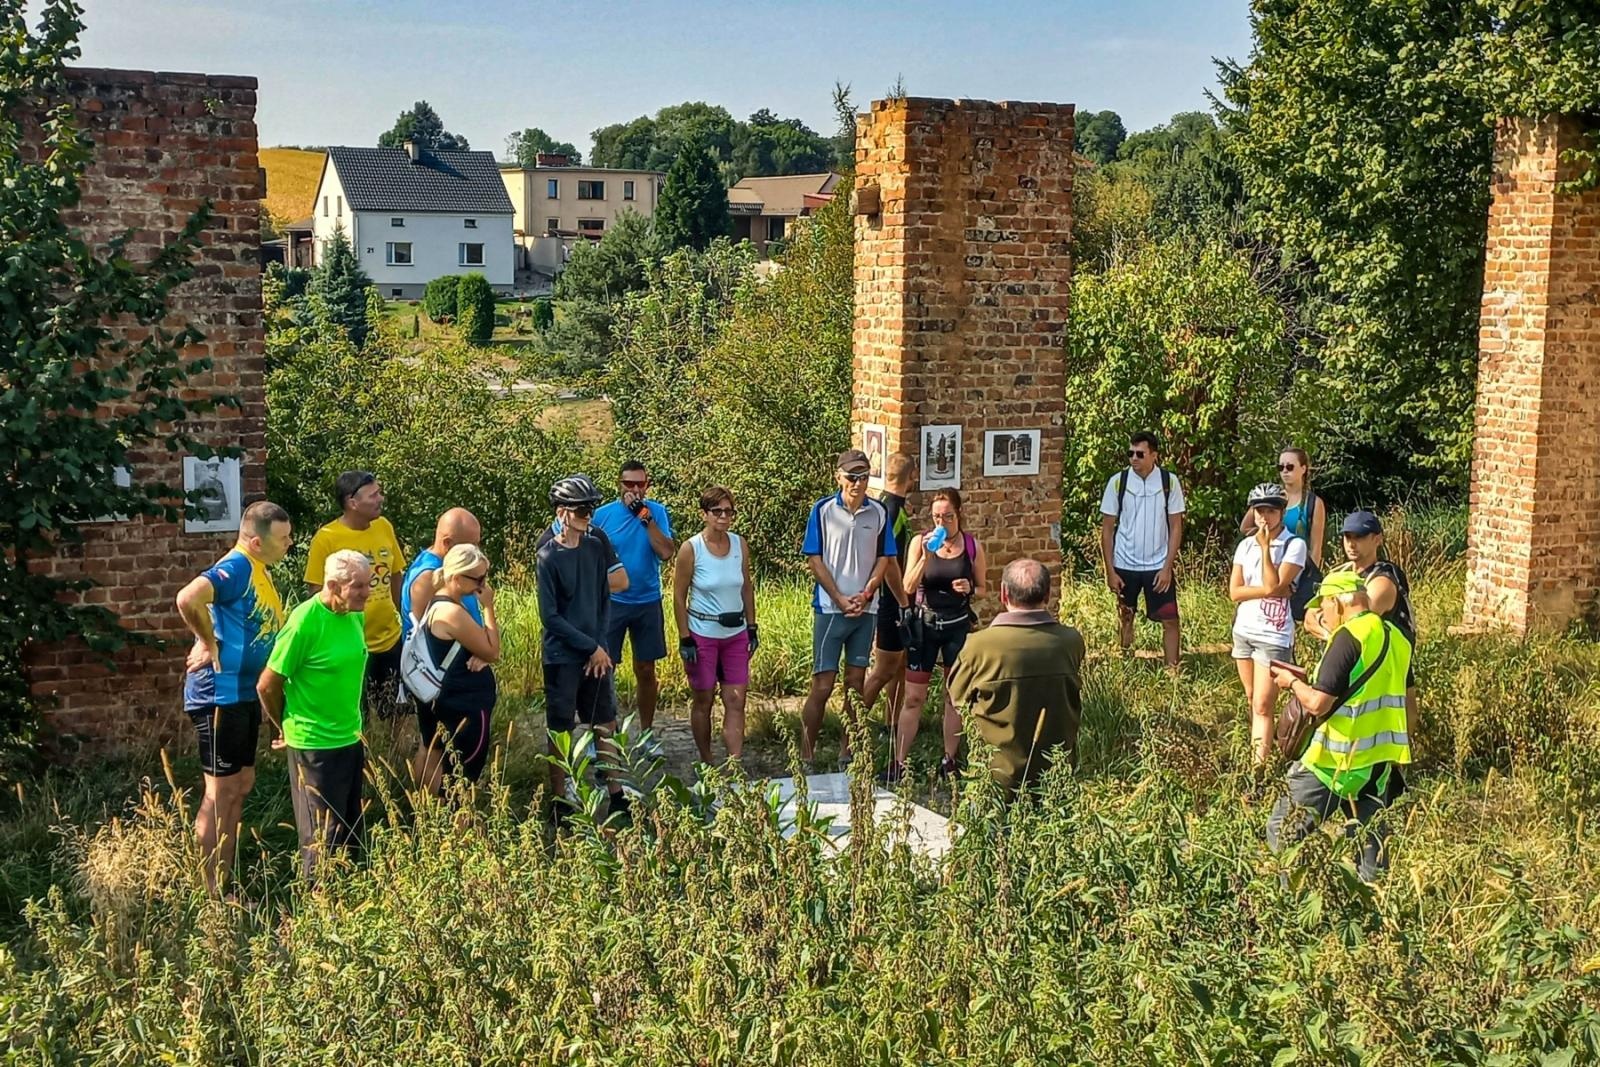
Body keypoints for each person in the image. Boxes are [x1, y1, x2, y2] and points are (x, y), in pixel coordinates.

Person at [174, 500, 292, 896]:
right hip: (219, 697)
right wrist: (209, 643)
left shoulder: (259, 570)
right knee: (218, 792)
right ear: (256, 542)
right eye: (283, 538)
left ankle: (225, 883)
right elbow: (189, 598)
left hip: (243, 695)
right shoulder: (238, 566)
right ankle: (209, 894)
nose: (289, 544)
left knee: (241, 784)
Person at [1267, 570, 1413, 882]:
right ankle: (1376, 913)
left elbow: (1319, 703)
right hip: (1377, 763)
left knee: (1282, 831)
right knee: (1370, 846)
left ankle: (1292, 908)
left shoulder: (1350, 636)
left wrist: (1291, 682)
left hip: (1333, 761)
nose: (1323, 616)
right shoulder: (1398, 638)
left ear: (1338, 603)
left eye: (1325, 608)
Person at [258, 550, 372, 879]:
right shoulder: (304, 623)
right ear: (333, 585)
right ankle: (316, 908)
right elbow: (267, 685)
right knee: (323, 836)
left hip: (350, 737)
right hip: (313, 743)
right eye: (359, 586)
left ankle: (350, 903)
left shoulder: (354, 614)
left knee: (350, 830)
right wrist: (283, 727)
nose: (367, 592)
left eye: (369, 584)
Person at [536, 475, 631, 822]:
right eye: (581, 509)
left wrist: (600, 645)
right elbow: (551, 616)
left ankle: (617, 795)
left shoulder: (595, 544)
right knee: (561, 727)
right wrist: (588, 646)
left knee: (605, 722)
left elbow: (606, 598)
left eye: (591, 508)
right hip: (563, 654)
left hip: (596, 651)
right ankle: (560, 799)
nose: (588, 515)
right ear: (563, 513)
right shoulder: (546, 553)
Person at [946, 559, 1085, 794]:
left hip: (996, 779)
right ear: (1048, 594)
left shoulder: (979, 646)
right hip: (1057, 773)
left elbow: (957, 699)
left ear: (1003, 594)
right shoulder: (1071, 641)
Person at [799, 449, 897, 766]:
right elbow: (814, 558)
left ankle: (848, 750)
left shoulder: (879, 512)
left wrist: (868, 592)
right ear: (838, 476)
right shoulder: (823, 510)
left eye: (864, 477)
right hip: (830, 608)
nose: (858, 483)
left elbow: (885, 557)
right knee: (823, 684)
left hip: (865, 609)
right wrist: (840, 597)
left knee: (855, 684)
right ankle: (805, 753)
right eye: (852, 476)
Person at [883, 489, 987, 783]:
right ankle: (899, 762)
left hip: (956, 625)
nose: (942, 522)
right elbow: (906, 585)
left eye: (948, 516)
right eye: (937, 517)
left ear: (959, 514)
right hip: (925, 625)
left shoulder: (971, 546)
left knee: (954, 696)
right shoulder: (921, 542)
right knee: (914, 697)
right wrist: (927, 557)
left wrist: (970, 588)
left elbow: (983, 588)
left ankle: (949, 760)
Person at [303, 470, 407, 719]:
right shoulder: (326, 539)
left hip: (389, 640)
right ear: (352, 502)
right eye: (374, 495)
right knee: (356, 717)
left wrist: (402, 614)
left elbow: (395, 573)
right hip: (349, 644)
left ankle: (392, 757)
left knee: (395, 712)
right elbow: (316, 592)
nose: (380, 498)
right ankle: (361, 757)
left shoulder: (384, 526)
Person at [593, 461, 676, 758]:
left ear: (647, 484)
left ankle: (647, 733)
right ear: (620, 484)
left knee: (645, 668)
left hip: (647, 600)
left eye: (641, 484)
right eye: (629, 485)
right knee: (605, 669)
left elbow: (666, 552)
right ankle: (604, 736)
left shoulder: (657, 511)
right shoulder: (602, 515)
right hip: (612, 602)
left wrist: (645, 517)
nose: (635, 490)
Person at [672, 486, 757, 764]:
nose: (723, 516)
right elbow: (678, 595)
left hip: (735, 632)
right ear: (704, 514)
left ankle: (735, 763)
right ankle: (707, 760)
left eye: (728, 511)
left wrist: (752, 626)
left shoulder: (739, 544)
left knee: (736, 699)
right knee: (704, 699)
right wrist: (685, 638)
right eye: (717, 511)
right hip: (703, 633)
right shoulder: (691, 549)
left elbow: (746, 587)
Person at [411, 544, 501, 795]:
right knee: (463, 774)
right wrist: (489, 607)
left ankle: (427, 815)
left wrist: (479, 652)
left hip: (439, 696)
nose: (483, 585)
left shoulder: (437, 603)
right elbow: (493, 650)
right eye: (478, 579)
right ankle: (456, 827)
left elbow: (478, 648)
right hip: (465, 704)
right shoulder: (453, 612)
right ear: (457, 577)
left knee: (431, 749)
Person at [1229, 483, 1307, 767]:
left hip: (1273, 634)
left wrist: (1265, 550)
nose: (1264, 517)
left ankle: (1257, 771)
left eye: (1271, 511)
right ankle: (1261, 749)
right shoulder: (1244, 545)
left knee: (1263, 703)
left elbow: (1276, 583)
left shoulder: (1293, 545)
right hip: (1244, 629)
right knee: (1252, 698)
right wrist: (1269, 589)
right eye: (1259, 510)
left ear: (1282, 512)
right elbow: (1235, 592)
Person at [1099, 431, 1186, 668]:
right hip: (1125, 564)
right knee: (1126, 616)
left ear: (1154, 455)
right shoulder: (1118, 482)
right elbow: (1107, 529)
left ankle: (1172, 671)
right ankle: (1125, 664)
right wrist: (1110, 570)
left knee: (1170, 620)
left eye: (1140, 454)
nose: (1134, 458)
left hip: (1158, 566)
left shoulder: (1169, 482)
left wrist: (1168, 567)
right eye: (1131, 453)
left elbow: (1176, 525)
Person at [1330, 510, 1418, 740]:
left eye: (1359, 537)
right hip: (1361, 651)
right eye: (1347, 537)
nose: (1351, 543)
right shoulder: (1340, 574)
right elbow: (1311, 615)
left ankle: (1398, 761)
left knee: (1398, 709)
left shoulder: (1385, 577)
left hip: (1391, 654)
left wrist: (1330, 620)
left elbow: (1360, 616)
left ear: (1377, 539)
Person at [861, 453, 915, 734]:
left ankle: (892, 722)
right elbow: (889, 559)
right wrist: (903, 600)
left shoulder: (883, 505)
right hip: (891, 602)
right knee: (883, 668)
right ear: (912, 477)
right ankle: (853, 729)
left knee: (901, 663)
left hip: (896, 601)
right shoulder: (892, 510)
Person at [402, 507, 482, 641]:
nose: (476, 552)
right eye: (470, 546)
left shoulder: (452, 566)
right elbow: (424, 637)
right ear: (447, 543)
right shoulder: (429, 577)